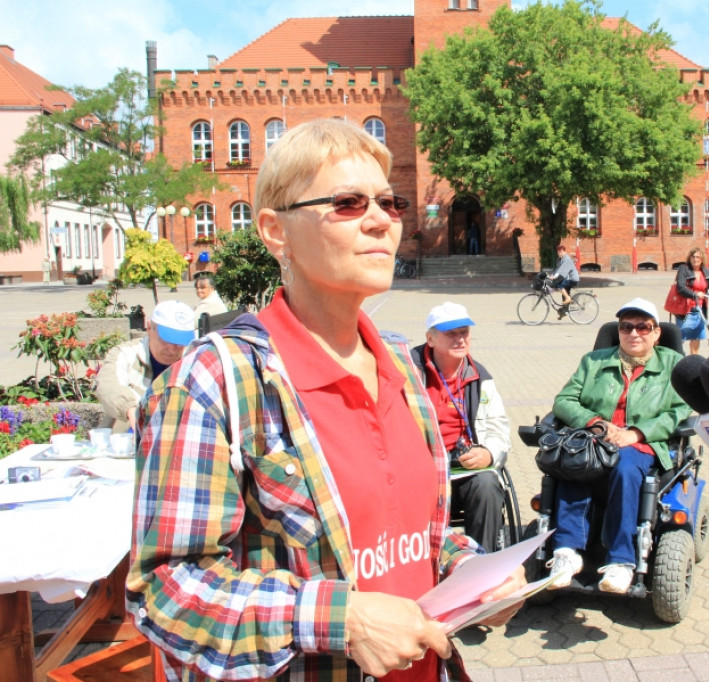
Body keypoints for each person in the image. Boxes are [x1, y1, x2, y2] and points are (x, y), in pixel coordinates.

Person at [127, 118, 525, 682]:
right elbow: (165, 591)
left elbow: (412, 532)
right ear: (276, 231)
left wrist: (470, 572)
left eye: (390, 203)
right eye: (347, 203)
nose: (381, 221)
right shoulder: (214, 381)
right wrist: (344, 620)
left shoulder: (401, 363)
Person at [546, 298, 691, 593]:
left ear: (657, 333)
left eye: (643, 327)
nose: (634, 333)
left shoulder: (674, 365)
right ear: (619, 331)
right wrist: (595, 423)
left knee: (624, 467)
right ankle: (566, 553)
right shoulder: (593, 362)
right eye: (626, 327)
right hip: (594, 439)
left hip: (642, 445)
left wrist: (637, 433)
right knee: (571, 463)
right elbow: (564, 401)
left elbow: (681, 410)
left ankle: (621, 560)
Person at [411, 302, 510, 552]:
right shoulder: (409, 374)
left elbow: (499, 428)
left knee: (487, 485)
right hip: (422, 469)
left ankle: (483, 563)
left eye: (464, 332)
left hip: (464, 470)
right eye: (451, 333)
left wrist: (488, 453)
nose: (460, 339)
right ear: (430, 338)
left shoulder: (480, 377)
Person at [95, 300, 195, 433]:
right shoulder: (126, 353)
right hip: (128, 437)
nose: (172, 350)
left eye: (179, 343)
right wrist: (130, 408)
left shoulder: (194, 359)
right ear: (149, 328)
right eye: (165, 340)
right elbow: (108, 385)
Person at [673, 246, 709, 355]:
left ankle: (694, 360)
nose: (695, 259)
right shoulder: (684, 269)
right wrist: (694, 294)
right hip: (685, 308)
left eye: (698, 257)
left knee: (696, 337)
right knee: (681, 337)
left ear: (702, 259)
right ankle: (676, 359)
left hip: (700, 309)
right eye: (693, 257)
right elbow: (680, 287)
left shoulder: (705, 272)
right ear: (690, 258)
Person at [550, 244, 580, 318]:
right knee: (564, 293)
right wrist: (552, 275)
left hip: (572, 278)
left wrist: (555, 276)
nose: (559, 253)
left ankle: (568, 298)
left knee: (559, 286)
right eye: (558, 252)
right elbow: (557, 269)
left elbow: (562, 270)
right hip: (567, 278)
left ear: (564, 251)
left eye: (561, 252)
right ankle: (564, 312)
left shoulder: (566, 259)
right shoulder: (559, 259)